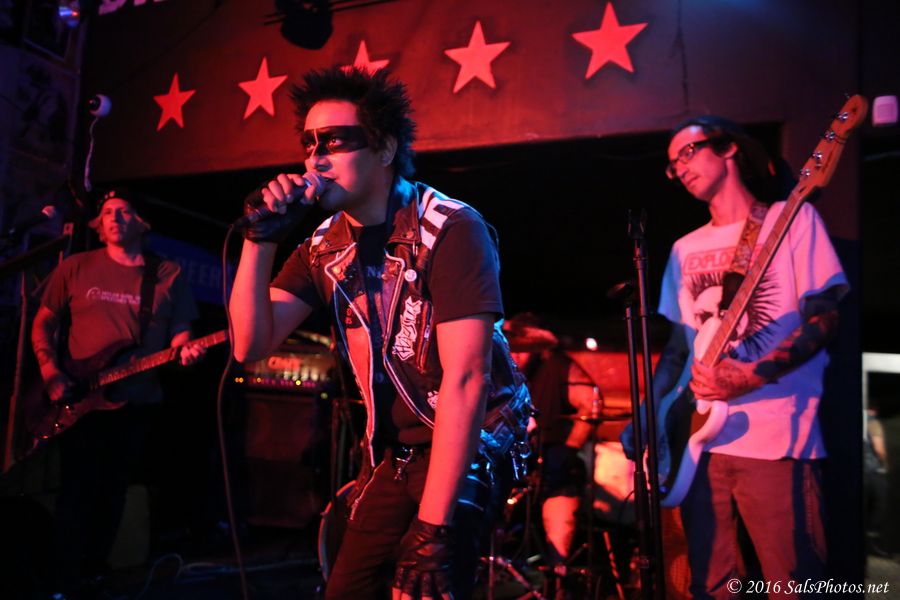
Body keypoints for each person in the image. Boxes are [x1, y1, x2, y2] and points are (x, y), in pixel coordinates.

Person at [228, 66, 531, 599]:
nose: (315, 159)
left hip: (472, 442)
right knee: (347, 588)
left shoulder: (449, 226)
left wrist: (434, 529)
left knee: (423, 586)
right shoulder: (323, 245)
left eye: (335, 141)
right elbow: (250, 344)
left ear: (385, 148)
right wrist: (259, 241)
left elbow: (466, 379)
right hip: (395, 453)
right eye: (308, 144)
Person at [623, 116, 849, 598]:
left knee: (796, 584)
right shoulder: (685, 249)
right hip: (696, 447)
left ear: (728, 149)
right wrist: (648, 414)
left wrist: (748, 377)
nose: (680, 168)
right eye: (672, 164)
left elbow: (825, 318)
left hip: (777, 438)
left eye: (688, 152)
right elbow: (680, 350)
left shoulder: (791, 219)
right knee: (709, 585)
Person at [31, 188, 205, 596]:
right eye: (108, 212)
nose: (114, 218)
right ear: (98, 222)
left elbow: (181, 329)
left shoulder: (167, 274)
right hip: (80, 397)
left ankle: (94, 573)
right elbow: (43, 322)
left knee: (113, 492)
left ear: (141, 222)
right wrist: (50, 371)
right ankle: (64, 579)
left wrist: (185, 349)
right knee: (76, 490)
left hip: (135, 401)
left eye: (124, 211)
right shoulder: (76, 266)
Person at [503, 314, 594, 598]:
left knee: (560, 485)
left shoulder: (559, 367)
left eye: (523, 349)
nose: (516, 355)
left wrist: (570, 447)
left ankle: (558, 575)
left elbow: (592, 404)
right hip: (507, 457)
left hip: (551, 457)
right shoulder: (498, 369)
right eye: (512, 348)